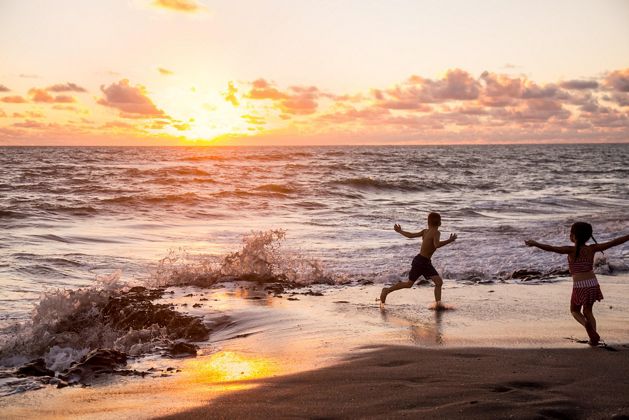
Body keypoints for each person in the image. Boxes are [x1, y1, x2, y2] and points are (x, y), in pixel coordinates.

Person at [525, 222, 629, 346]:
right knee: (588, 311)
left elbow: (551, 248)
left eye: (571, 233)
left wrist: (535, 243)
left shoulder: (570, 250)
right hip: (592, 283)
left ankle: (586, 325)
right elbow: (614, 242)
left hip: (579, 285)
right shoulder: (592, 248)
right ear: (588, 236)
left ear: (573, 236)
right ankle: (593, 337)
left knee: (574, 310)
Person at [380, 212, 457, 308]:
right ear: (439, 223)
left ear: (428, 222)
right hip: (422, 262)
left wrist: (400, 231)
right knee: (414, 284)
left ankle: (438, 305)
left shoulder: (425, 231)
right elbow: (436, 245)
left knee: (433, 283)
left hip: (422, 261)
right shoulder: (436, 232)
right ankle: (386, 290)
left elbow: (410, 235)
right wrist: (450, 240)